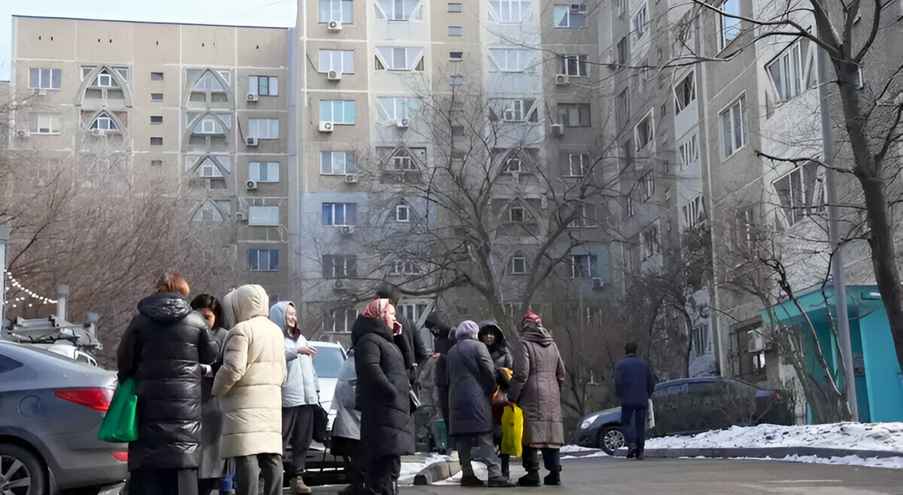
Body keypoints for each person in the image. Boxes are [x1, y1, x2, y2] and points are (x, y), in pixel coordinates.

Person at [116, 272, 218, 495]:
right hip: (185, 421)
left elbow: (124, 361)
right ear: (183, 292)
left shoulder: (140, 321)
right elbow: (210, 355)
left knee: (148, 481)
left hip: (148, 415)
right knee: (183, 480)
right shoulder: (196, 321)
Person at [212, 285, 287, 495]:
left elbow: (233, 369)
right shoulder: (275, 331)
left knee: (246, 454)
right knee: (271, 456)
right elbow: (283, 372)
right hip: (270, 402)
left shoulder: (241, 330)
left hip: (243, 403)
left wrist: (217, 389)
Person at [353, 298, 415, 495]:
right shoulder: (369, 340)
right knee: (382, 463)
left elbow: (408, 364)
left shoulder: (390, 342)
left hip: (394, 410)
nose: (395, 319)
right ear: (379, 315)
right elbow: (370, 368)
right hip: (382, 410)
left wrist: (401, 337)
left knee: (391, 463)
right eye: (391, 314)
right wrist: (391, 390)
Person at [446, 320, 515, 488]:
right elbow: (489, 372)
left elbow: (447, 377)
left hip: (455, 399)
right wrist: (491, 390)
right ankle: (494, 474)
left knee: (463, 438)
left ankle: (467, 474)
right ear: (474, 333)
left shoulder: (452, 351)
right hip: (477, 398)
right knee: (484, 436)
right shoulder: (479, 347)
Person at [508, 310, 566, 487]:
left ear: (525, 326)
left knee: (531, 434)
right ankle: (554, 473)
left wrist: (512, 396)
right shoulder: (552, 344)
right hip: (552, 392)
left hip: (531, 392)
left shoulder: (524, 343)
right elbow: (561, 373)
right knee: (551, 432)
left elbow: (521, 374)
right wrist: (556, 390)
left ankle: (532, 473)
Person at [271, 301, 320, 495]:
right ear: (279, 316)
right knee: (281, 440)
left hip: (306, 399)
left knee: (302, 441)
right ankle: (272, 477)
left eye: (294, 314)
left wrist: (316, 391)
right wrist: (296, 351)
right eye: (288, 314)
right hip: (287, 398)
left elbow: (311, 369)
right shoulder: (275, 338)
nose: (293, 318)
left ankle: (297, 478)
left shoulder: (301, 338)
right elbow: (275, 357)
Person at [190, 294, 231, 495]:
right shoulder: (187, 333)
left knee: (211, 459)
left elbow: (228, 368)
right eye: (198, 316)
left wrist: (206, 370)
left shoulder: (224, 336)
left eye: (207, 317)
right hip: (189, 402)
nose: (203, 321)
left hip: (213, 402)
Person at [614, 342, 657, 460]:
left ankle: (631, 444)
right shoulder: (644, 364)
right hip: (641, 399)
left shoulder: (620, 365)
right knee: (640, 426)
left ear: (626, 351)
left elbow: (617, 382)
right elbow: (651, 382)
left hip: (627, 399)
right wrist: (647, 394)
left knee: (625, 422)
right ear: (636, 350)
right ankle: (640, 451)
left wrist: (620, 395)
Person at [331, 349, 365, 495]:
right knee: (352, 450)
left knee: (358, 450)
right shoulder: (354, 356)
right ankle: (357, 483)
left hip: (355, 412)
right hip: (348, 411)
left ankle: (360, 484)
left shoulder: (364, 353)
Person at [424, 312, 453, 430]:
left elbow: (455, 357)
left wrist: (442, 357)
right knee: (444, 412)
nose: (434, 331)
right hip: (441, 380)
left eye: (434, 328)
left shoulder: (452, 336)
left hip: (451, 380)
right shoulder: (438, 339)